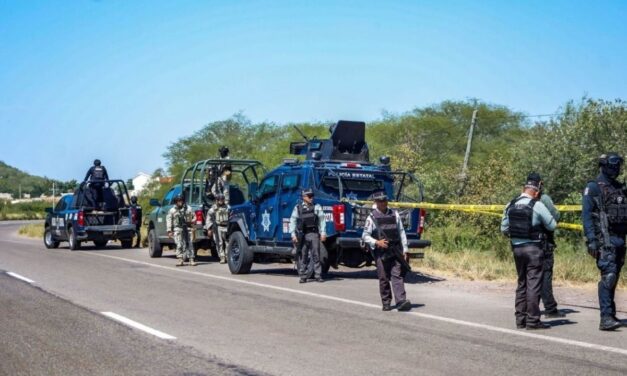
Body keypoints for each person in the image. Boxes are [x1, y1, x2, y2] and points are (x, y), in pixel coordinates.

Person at [501, 175, 557, 330]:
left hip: (517, 249)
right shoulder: (537, 205)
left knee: (521, 283)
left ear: (523, 189)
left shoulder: (510, 204)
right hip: (534, 249)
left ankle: (520, 320)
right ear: (537, 192)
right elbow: (552, 225)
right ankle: (532, 321)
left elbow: (503, 229)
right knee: (533, 284)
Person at [582, 152, 627, 331]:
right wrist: (591, 240)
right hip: (604, 240)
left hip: (620, 240)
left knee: (614, 276)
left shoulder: (619, 187)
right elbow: (586, 216)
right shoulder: (593, 187)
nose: (616, 168)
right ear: (604, 165)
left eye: (618, 164)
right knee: (608, 276)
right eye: (613, 164)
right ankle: (605, 317)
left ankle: (611, 313)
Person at [362, 191, 412, 312]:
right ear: (376, 202)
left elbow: (401, 232)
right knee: (384, 278)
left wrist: (405, 249)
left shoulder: (395, 214)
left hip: (395, 250)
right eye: (380, 201)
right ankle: (386, 302)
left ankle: (401, 301)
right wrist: (377, 242)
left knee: (397, 275)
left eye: (384, 200)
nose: (383, 203)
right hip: (381, 252)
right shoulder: (372, 217)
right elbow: (365, 236)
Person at [527, 172, 565, 318]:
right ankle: (550, 309)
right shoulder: (544, 199)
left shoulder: (520, 199)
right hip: (544, 243)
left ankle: (528, 309)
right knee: (545, 275)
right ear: (540, 184)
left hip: (525, 244)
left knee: (529, 277)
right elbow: (555, 217)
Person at [289, 188, 327, 283]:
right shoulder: (298, 208)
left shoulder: (316, 207)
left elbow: (322, 220)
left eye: (312, 196)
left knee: (316, 255)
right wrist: (293, 234)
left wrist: (323, 233)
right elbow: (292, 220)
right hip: (302, 235)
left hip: (314, 234)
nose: (311, 198)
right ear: (304, 197)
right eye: (309, 196)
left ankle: (318, 275)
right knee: (303, 255)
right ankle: (303, 276)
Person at [166, 194, 196, 267]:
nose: (180, 202)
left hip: (188, 228)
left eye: (181, 200)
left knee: (190, 244)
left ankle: (191, 259)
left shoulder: (189, 208)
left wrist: (192, 221)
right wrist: (169, 231)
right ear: (176, 201)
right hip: (178, 229)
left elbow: (194, 217)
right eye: (178, 201)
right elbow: (169, 220)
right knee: (179, 244)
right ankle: (180, 259)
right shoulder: (172, 210)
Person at [206, 193, 229, 264]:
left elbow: (232, 215)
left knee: (228, 243)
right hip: (218, 227)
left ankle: (228, 256)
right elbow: (208, 218)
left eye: (222, 199)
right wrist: (209, 228)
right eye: (219, 199)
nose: (221, 201)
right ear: (217, 200)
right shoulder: (213, 209)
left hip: (226, 227)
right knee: (219, 243)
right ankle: (222, 257)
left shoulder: (227, 207)